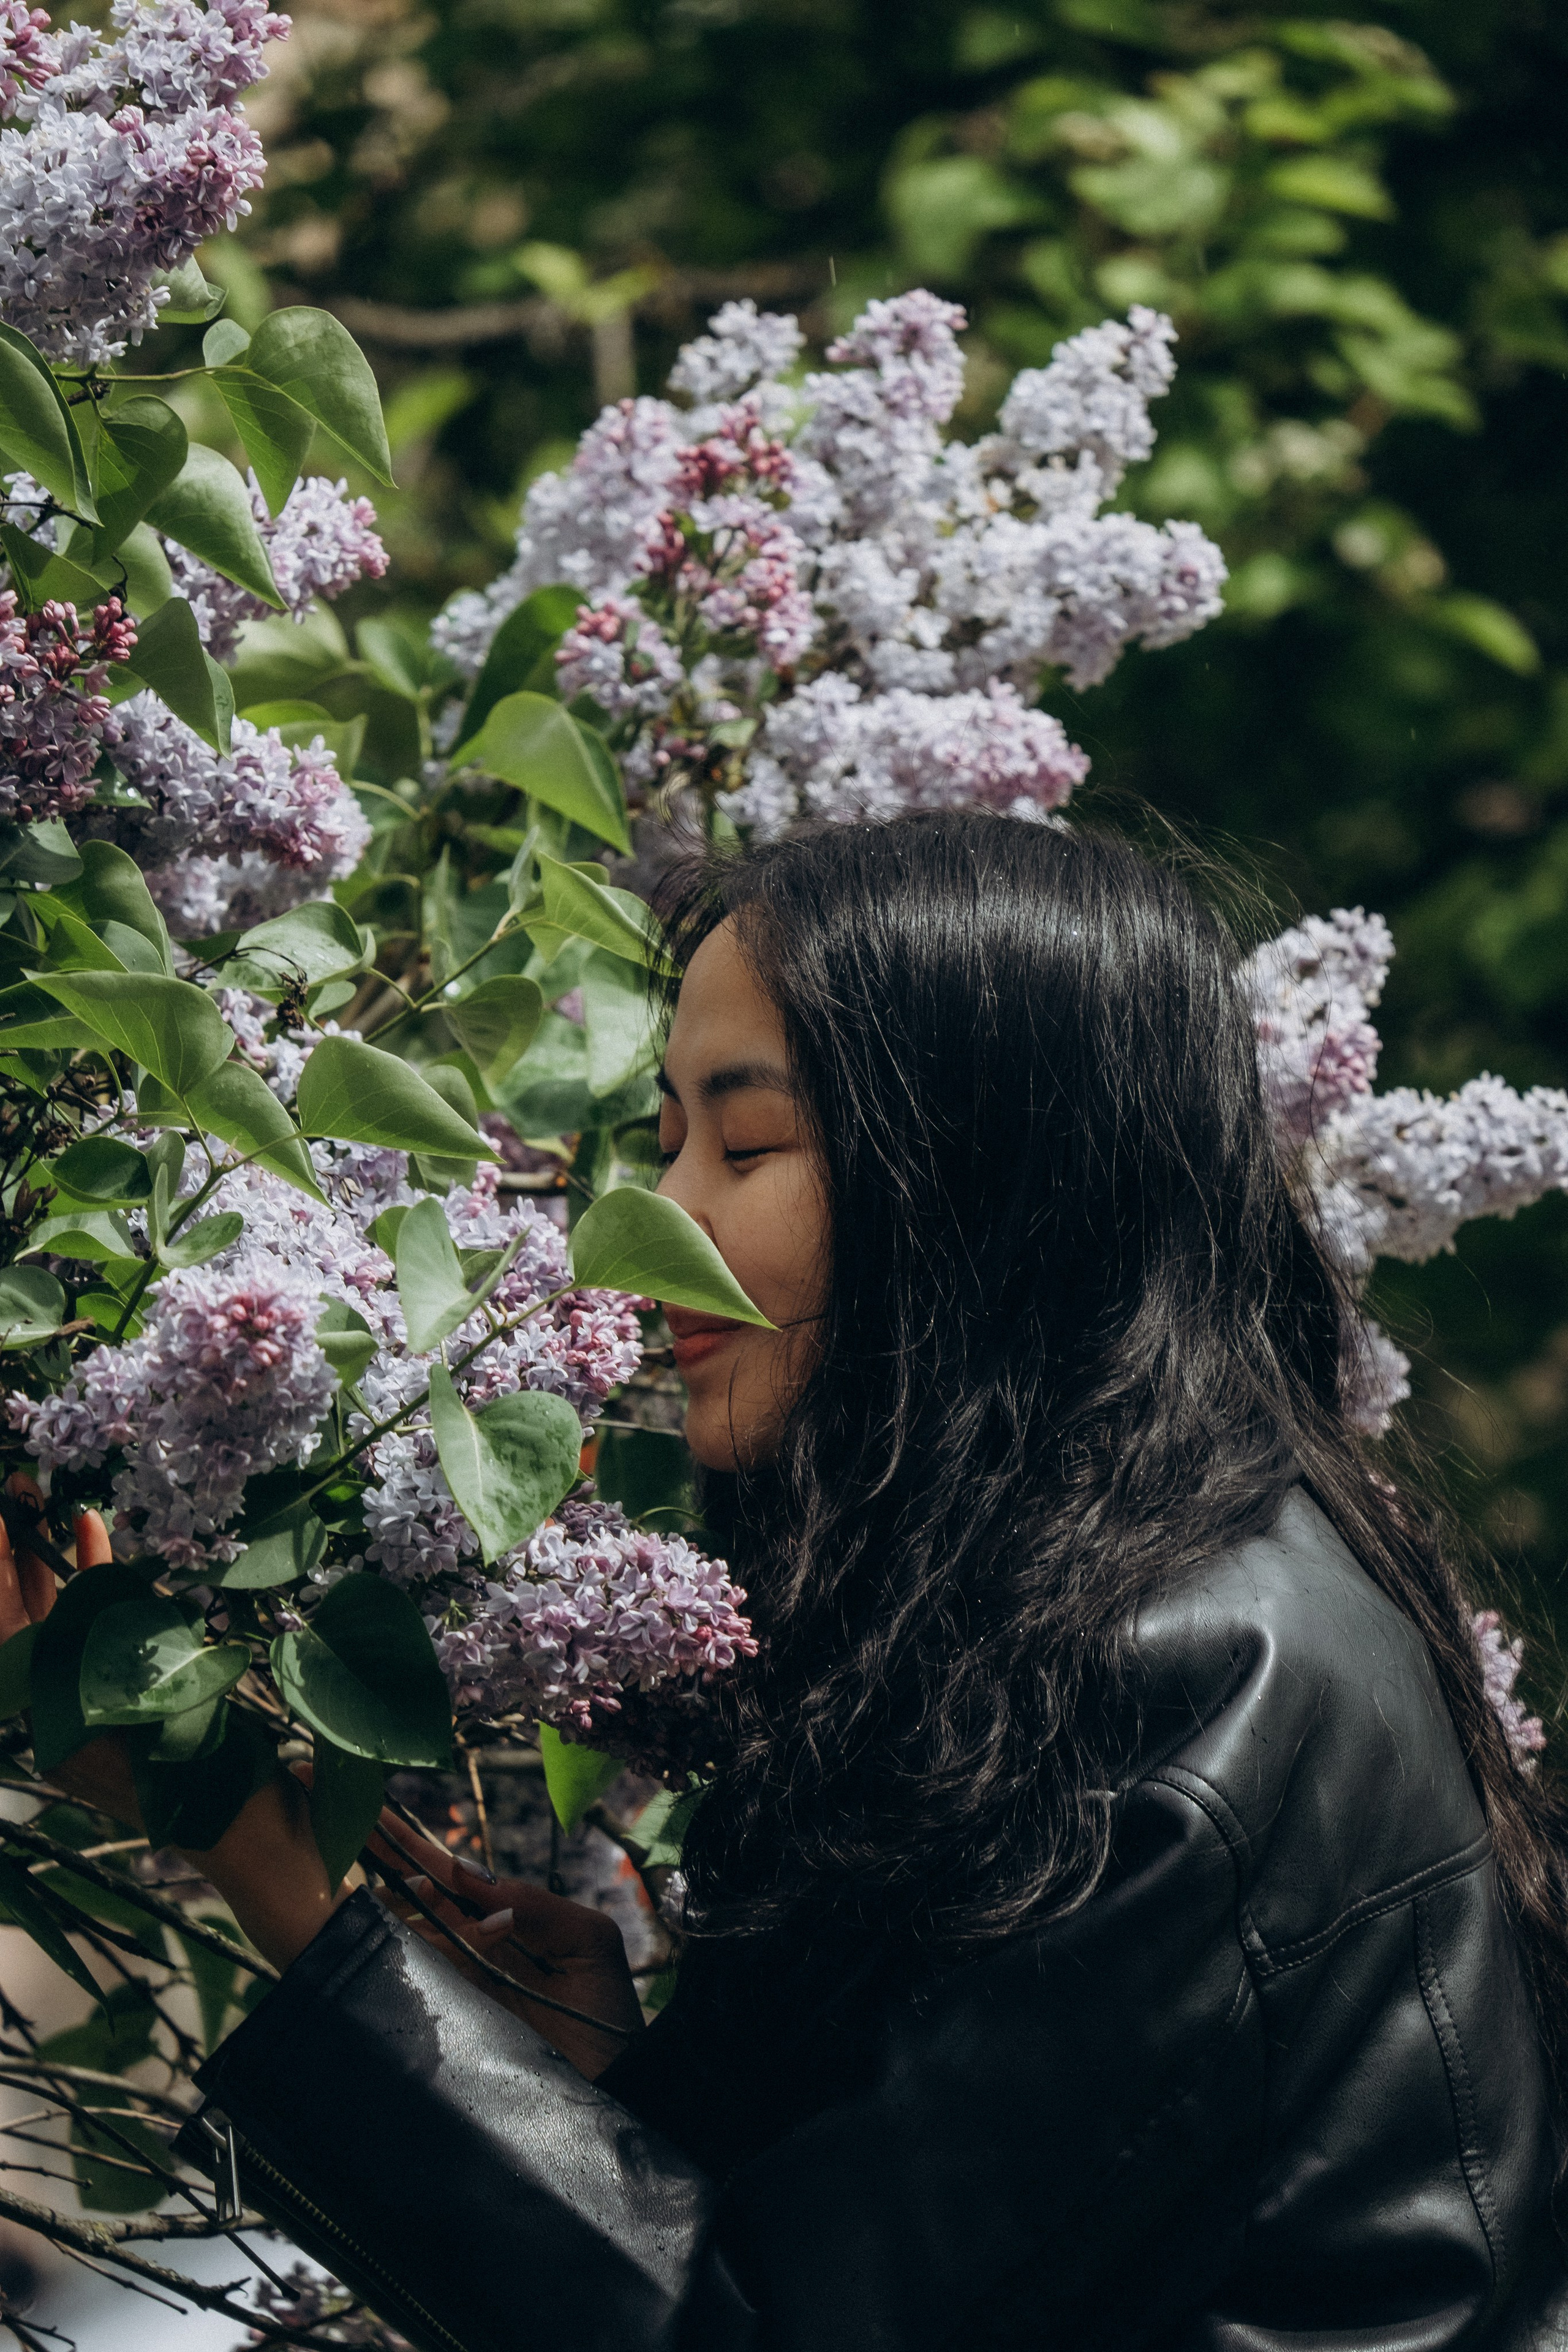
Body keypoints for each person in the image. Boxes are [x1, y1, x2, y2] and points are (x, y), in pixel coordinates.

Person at [4, 810, 1567, 2352]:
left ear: (978, 1181)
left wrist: (261, 1859)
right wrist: (632, 2084)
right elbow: (956, 2247)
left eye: (746, 1143)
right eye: (666, 1136)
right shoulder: (1096, 1607)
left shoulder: (1181, 1687)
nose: (656, 1222)